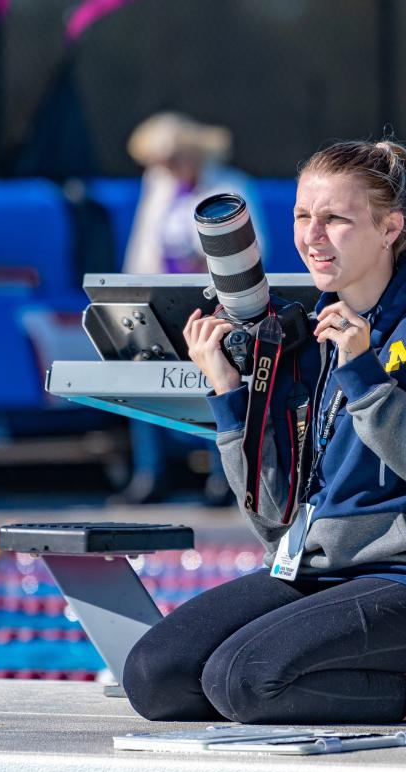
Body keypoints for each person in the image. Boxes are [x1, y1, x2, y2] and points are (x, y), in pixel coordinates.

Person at [123, 138, 406, 724]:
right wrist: (229, 396)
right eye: (302, 216)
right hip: (318, 568)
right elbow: (273, 518)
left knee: (248, 681)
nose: (312, 235)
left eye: (335, 218)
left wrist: (366, 378)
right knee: (155, 677)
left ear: (391, 228)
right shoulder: (308, 329)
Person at [115, 112, 257, 506]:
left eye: (173, 159)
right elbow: (143, 246)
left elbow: (252, 250)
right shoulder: (158, 187)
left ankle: (221, 476)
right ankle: (150, 473)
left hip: (215, 306)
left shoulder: (230, 187)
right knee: (138, 376)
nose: (167, 168)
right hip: (161, 302)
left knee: (215, 380)